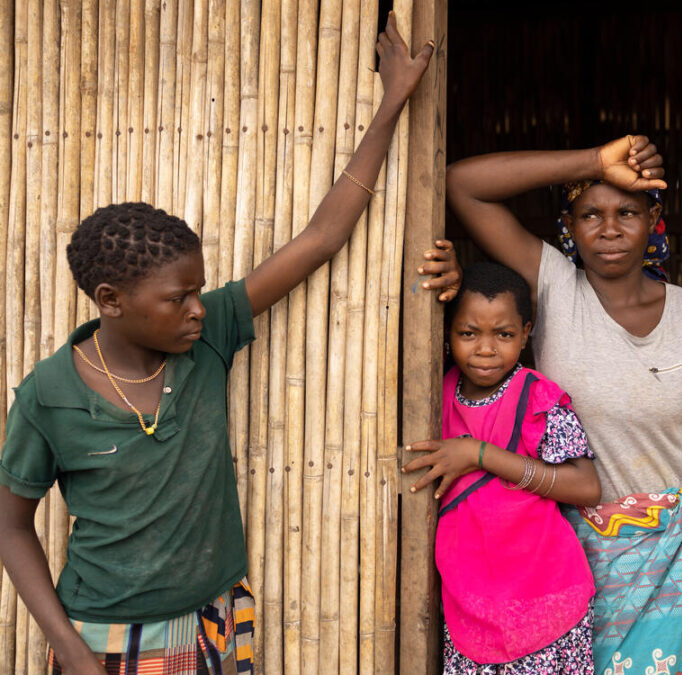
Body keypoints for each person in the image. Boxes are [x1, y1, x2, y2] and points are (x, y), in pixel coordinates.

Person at [0, 15, 432, 674]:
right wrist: (71, 651)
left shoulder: (208, 339)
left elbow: (321, 237)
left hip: (214, 618)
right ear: (111, 300)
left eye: (200, 290)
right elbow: (10, 527)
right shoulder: (47, 397)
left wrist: (392, 102)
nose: (199, 308)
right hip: (104, 636)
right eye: (178, 298)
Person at [425, 136, 682, 673]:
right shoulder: (556, 287)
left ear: (654, 219)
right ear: (570, 228)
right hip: (567, 563)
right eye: (590, 214)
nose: (608, 229)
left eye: (627, 211)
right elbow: (462, 185)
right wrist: (596, 163)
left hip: (681, 564)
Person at [403, 261, 602, 673]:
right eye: (468, 333)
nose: (486, 349)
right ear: (446, 333)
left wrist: (479, 454)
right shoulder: (430, 395)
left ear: (526, 333)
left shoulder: (538, 398)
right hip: (470, 609)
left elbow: (586, 486)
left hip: (548, 604)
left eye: (505, 334)